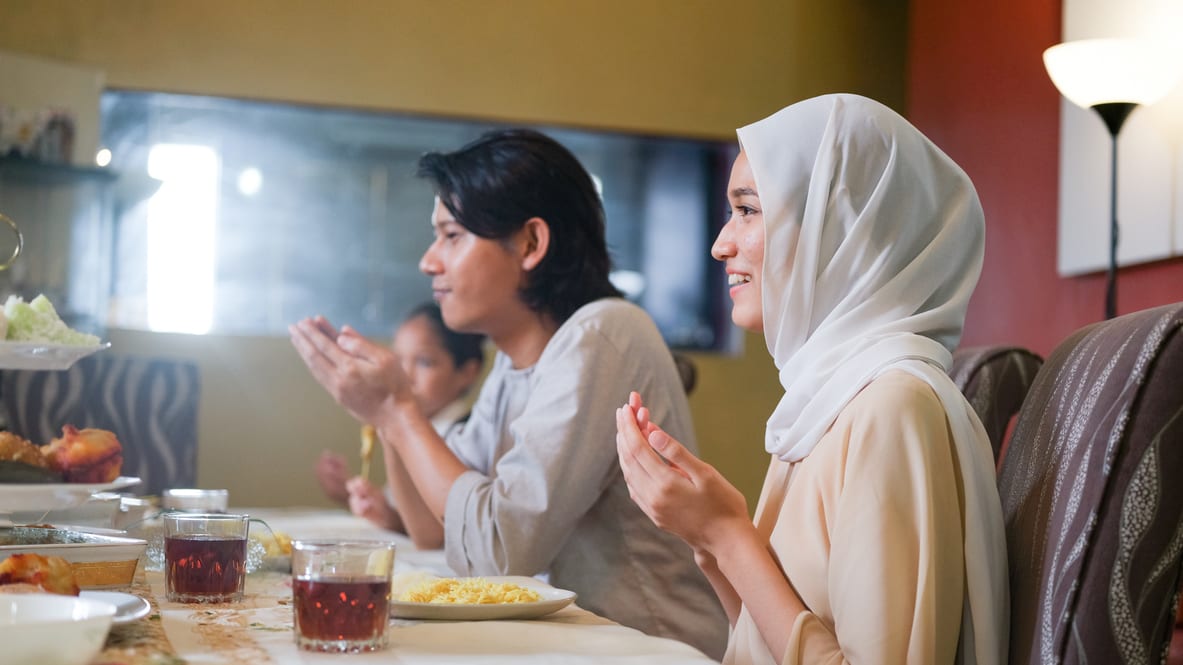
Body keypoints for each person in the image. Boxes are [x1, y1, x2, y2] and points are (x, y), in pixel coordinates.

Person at [290, 128, 728, 658]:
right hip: (570, 644)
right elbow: (434, 528)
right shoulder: (513, 362)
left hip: (648, 648)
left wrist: (398, 410)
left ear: (530, 244)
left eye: (451, 235)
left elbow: (496, 553)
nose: (430, 261)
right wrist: (388, 415)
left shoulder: (603, 333)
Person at [615, 94, 1008, 665]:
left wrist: (730, 535)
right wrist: (710, 540)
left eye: (748, 210)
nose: (720, 243)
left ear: (841, 225)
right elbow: (767, 644)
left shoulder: (892, 408)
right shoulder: (828, 400)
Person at [313, 302, 484, 532]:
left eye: (424, 362)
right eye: (398, 361)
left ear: (467, 372)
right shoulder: (412, 428)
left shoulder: (466, 437)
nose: (405, 375)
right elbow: (406, 515)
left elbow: (440, 531)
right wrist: (350, 496)